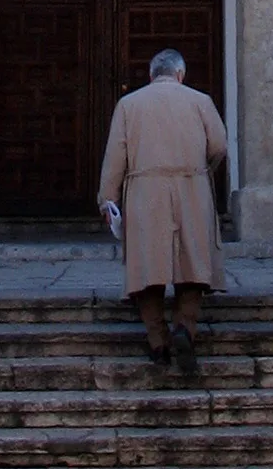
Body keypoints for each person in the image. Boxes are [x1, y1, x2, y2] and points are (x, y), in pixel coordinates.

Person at [97, 47, 227, 363]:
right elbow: (219, 145)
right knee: (193, 263)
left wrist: (107, 198)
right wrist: (200, 168)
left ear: (152, 74)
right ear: (180, 75)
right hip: (191, 188)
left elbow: (116, 156)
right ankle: (184, 328)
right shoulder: (200, 101)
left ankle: (158, 340)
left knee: (147, 267)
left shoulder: (128, 105)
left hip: (145, 191)